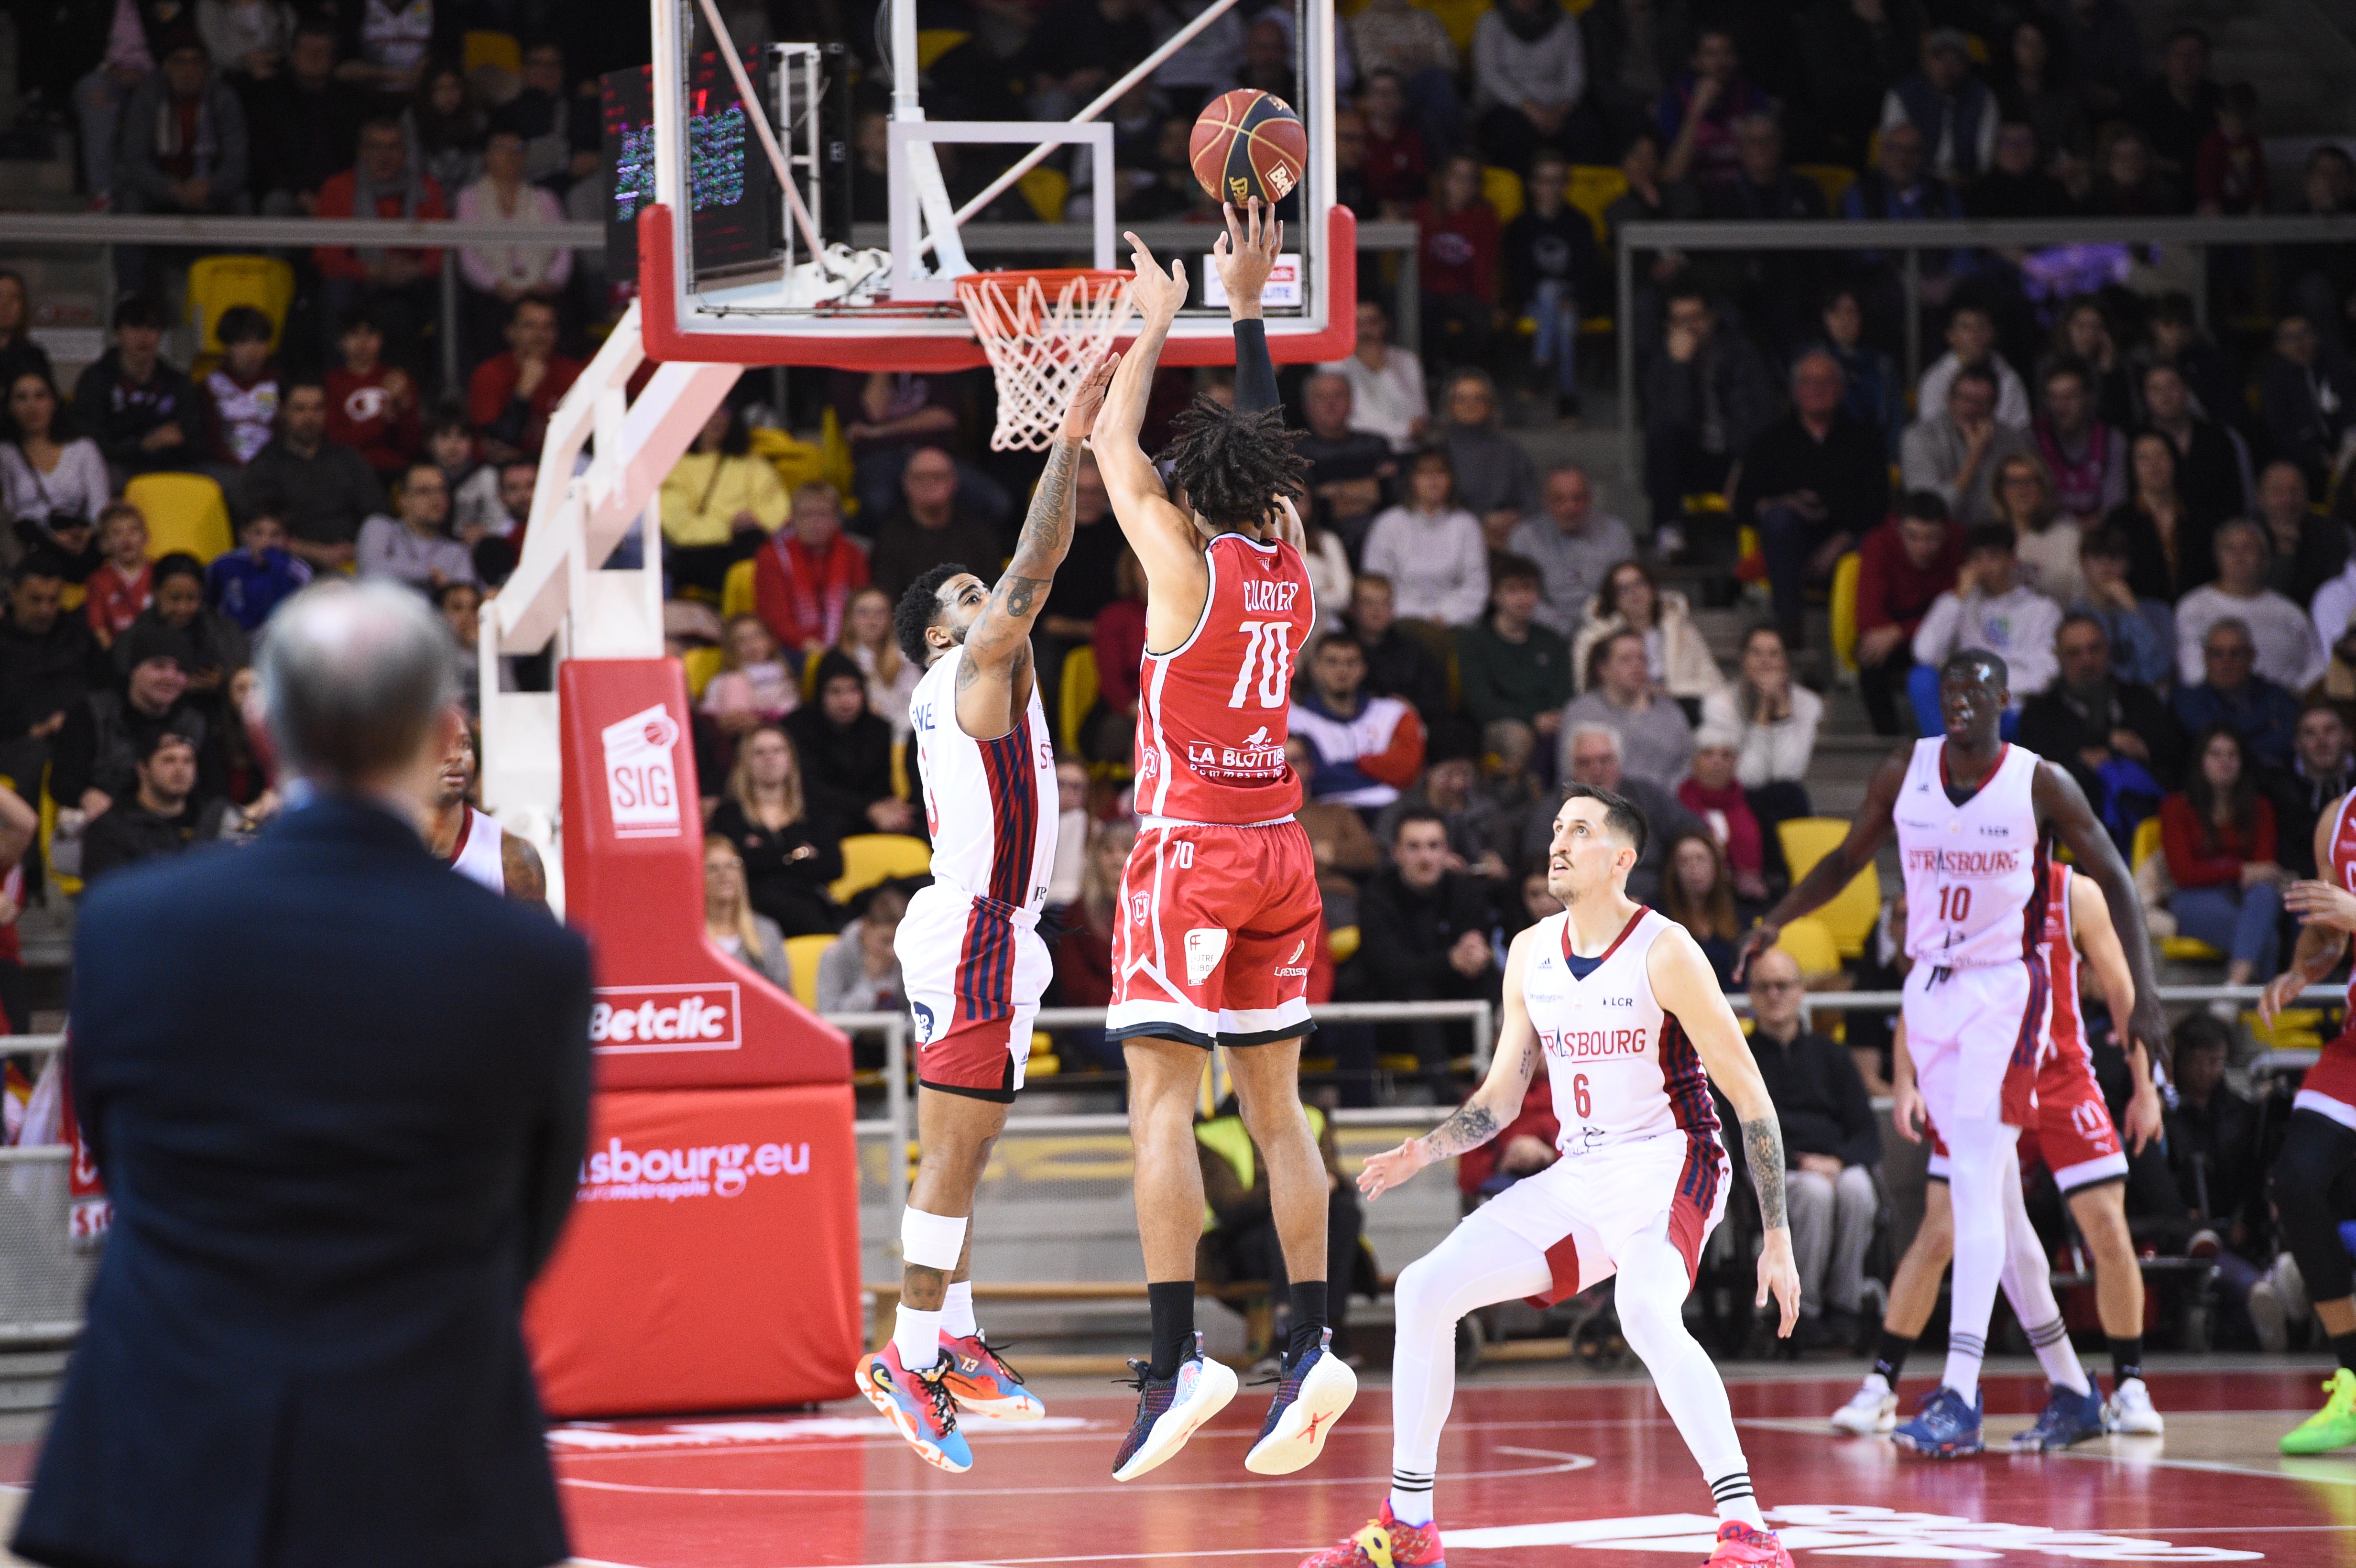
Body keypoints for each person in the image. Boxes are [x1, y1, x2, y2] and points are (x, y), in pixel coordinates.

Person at [7, 579, 590, 1568]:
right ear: (439, 726)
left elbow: (117, 1149)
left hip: (166, 1425)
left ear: (263, 723)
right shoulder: (530, 958)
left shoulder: (131, 926)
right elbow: (535, 1208)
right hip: (431, 1434)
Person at [1307, 784, 1802, 1568]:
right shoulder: (1529, 951)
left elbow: (1752, 1098)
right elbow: (1501, 1099)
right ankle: (1407, 1525)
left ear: (1621, 859)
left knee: (1643, 1311)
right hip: (1582, 1171)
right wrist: (1423, 1151)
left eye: (1579, 830)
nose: (1557, 840)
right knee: (1422, 1291)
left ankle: (1747, 1529)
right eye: (1555, 828)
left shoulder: (1664, 950)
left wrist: (1776, 1235)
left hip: (1670, 1160)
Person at [1741, 647, 2167, 1459]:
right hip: (1928, 993)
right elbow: (1843, 859)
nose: (1962, 701)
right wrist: (1777, 918)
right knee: (1996, 1207)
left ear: (2004, 698)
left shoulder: (2038, 782)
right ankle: (2074, 1389)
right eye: (1949, 690)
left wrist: (2143, 997)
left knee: (1970, 1189)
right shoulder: (1906, 768)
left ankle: (1958, 1393)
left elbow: (2113, 877)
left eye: (1977, 688)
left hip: (2003, 993)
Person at [1092, 210, 1358, 1478]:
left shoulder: (1181, 570)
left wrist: (1158, 317)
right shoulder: (1293, 564)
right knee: (1278, 1109)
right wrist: (1244, 311)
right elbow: (1265, 462)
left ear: (1196, 494)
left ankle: (1174, 1357)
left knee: (1162, 1102)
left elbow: (1108, 444)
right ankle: (1309, 1344)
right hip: (1282, 855)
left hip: (1190, 852)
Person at [862, 354, 1114, 1472]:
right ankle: (906, 1354)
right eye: (969, 600)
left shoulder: (982, 680)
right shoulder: (970, 670)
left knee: (970, 1148)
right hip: (971, 928)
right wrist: (1072, 436)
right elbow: (1040, 560)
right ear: (936, 638)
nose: (992, 603)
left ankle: (954, 1337)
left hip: (1002, 932)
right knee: (953, 1153)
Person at [1832, 860, 2165, 1443]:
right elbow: (1928, 987)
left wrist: (2144, 1086)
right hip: (1979, 1072)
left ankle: (2128, 1384)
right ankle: (1884, 1383)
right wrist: (1908, 1076)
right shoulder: (1960, 887)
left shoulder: (2072, 891)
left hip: (2057, 1073)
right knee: (1951, 1230)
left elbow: (2121, 991)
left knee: (2103, 1226)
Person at [2253, 770, 2356, 1452]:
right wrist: (2302, 967)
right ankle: (2353, 1381)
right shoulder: (2339, 818)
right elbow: (2330, 935)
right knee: (2294, 1183)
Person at [1743, 946, 1879, 1349]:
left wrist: (1838, 1162)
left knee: (1858, 1189)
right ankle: (1807, 1310)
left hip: (1834, 1163)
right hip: (1774, 1169)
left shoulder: (1832, 1056)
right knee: (1815, 1194)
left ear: (1801, 991)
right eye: (1764, 987)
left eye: (1783, 985)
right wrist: (1803, 1162)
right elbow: (1739, 1132)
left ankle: (1846, 1306)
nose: (1774, 995)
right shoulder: (1742, 1059)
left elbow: (1867, 1132)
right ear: (1751, 996)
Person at [1734, 349, 1891, 651]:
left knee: (1876, 541)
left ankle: (1865, 641)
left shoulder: (1865, 439)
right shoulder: (1770, 440)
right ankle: (1790, 629)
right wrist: (1784, 503)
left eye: (1826, 382)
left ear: (1841, 389)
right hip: (1791, 549)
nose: (1817, 390)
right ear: (1795, 391)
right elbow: (1743, 505)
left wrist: (1838, 543)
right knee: (1780, 521)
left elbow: (1878, 505)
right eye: (1808, 382)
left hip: (1848, 542)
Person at [1352, 807, 1500, 1101]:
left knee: (1494, 977)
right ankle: (1446, 1102)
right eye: (1414, 847)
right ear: (1396, 853)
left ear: (1447, 852)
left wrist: (1475, 952)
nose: (1425, 857)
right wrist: (1451, 960)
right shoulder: (1376, 896)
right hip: (1395, 1017)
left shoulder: (1464, 889)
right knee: (1419, 992)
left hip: (1456, 1007)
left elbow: (1475, 939)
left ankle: (1502, 1091)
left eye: (1434, 846)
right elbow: (1391, 967)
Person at [1641, 284, 1778, 548]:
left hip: (1736, 458)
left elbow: (1765, 416)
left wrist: (1743, 462)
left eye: (1696, 318)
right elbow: (1672, 422)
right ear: (1668, 325)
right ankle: (1668, 531)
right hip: (1692, 461)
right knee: (1662, 437)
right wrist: (1679, 368)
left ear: (1712, 317)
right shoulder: (1662, 365)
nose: (1690, 328)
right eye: (1680, 321)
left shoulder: (1742, 353)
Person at [2017, 611, 2183, 828]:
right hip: (2070, 828)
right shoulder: (2040, 711)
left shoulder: (2140, 698)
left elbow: (2172, 754)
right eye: (2075, 653)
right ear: (2058, 657)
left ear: (2108, 648)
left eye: (2094, 649)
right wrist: (2107, 747)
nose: (2087, 660)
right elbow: (2035, 772)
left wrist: (2114, 756)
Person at [311, 118, 448, 360]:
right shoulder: (339, 188)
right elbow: (328, 256)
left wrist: (415, 269)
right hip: (360, 278)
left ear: (405, 153)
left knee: (448, 289)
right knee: (335, 292)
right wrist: (372, 271)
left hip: (413, 279)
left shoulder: (426, 188)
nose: (384, 156)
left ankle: (445, 384)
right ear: (363, 152)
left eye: (393, 148)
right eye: (376, 148)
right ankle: (339, 379)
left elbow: (440, 249)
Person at [1907, 524, 2060, 737]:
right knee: (1921, 678)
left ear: (2012, 559)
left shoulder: (2042, 609)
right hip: (1963, 704)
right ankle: (1949, 756)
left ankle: (1958, 759)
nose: (1985, 566)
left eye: (1993, 557)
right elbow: (1924, 653)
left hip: (2009, 707)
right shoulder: (1958, 603)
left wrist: (1986, 688)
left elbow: (2046, 674)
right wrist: (1959, 596)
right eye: (1977, 559)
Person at [2161, 725, 2283, 986]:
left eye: (2232, 755)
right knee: (2268, 939)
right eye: (2216, 754)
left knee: (2265, 893)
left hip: (2246, 898)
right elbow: (2184, 874)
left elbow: (2264, 869)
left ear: (2242, 763)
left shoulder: (2260, 807)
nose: (2224, 762)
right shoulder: (2176, 807)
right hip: (2193, 898)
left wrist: (2243, 873)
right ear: (2201, 762)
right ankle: (2244, 1005)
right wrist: (2241, 870)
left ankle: (2231, 996)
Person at [240, 379, 390, 574]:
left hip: (357, 562)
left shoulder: (349, 459)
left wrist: (358, 549)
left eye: (317, 409)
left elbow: (378, 515)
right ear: (283, 411)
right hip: (291, 568)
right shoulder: (265, 466)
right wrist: (318, 553)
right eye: (300, 410)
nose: (310, 418)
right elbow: (257, 531)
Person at [707, 726, 841, 937]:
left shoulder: (814, 809)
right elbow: (733, 870)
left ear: (791, 759)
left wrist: (765, 855)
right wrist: (796, 854)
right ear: (745, 762)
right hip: (754, 908)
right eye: (759, 753)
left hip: (809, 904)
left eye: (778, 751)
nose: (769, 759)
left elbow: (834, 867)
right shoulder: (729, 815)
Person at [1550, 720, 1703, 906]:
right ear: (1572, 769)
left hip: (1657, 903)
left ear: (1619, 761)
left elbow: (1693, 827)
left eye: (1605, 760)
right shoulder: (1554, 808)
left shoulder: (1646, 795)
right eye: (1585, 763)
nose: (1597, 770)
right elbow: (1544, 867)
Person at [455, 127, 572, 357]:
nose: (511, 155)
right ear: (486, 157)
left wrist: (550, 281)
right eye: (502, 149)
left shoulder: (545, 198)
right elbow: (468, 255)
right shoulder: (469, 198)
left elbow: (564, 249)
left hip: (541, 288)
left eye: (517, 149)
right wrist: (496, 285)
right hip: (493, 293)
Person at [1502, 151, 1601, 421]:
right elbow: (1517, 276)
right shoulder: (1519, 226)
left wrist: (1574, 298)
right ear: (1533, 185)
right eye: (1543, 180)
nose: (1550, 187)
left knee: (1566, 319)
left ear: (1566, 185)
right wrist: (1542, 297)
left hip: (1572, 301)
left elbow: (1587, 271)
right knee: (1549, 293)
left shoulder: (1579, 223)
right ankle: (1568, 398)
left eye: (1557, 180)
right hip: (1532, 302)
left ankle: (1542, 367)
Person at [1853, 494, 1963, 735]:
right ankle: (1889, 740)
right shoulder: (1879, 544)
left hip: (1945, 633)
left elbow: (1961, 612)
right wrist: (1898, 634)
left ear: (1946, 533)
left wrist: (1900, 632)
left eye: (1931, 538)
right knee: (1870, 656)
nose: (1922, 548)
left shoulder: (1960, 544)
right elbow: (1870, 619)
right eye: (1913, 536)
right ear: (1898, 529)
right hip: (1898, 633)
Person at [2174, 520, 2323, 693]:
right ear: (2217, 557)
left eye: (2248, 548)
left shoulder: (2290, 611)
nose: (2239, 556)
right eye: (2230, 549)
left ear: (2265, 557)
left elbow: (2316, 663)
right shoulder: (2193, 607)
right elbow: (2192, 671)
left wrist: (2293, 696)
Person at [71, 297, 206, 488]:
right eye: (135, 327)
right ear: (118, 333)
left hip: (171, 466)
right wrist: (142, 445)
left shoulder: (177, 381)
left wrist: (177, 440)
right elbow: (89, 444)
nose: (144, 337)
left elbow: (194, 438)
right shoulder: (95, 380)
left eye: (152, 328)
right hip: (119, 466)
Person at [658, 403, 788, 598]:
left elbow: (778, 510)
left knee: (757, 548)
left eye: (724, 410)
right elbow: (678, 527)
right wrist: (730, 526)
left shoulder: (755, 465)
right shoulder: (676, 468)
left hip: (747, 546)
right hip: (700, 553)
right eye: (710, 411)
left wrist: (755, 521)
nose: (718, 418)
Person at [1290, 634, 1428, 814]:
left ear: (1363, 669)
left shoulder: (1395, 712)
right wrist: (1381, 769)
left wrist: (1355, 765)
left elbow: (1407, 771)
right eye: (1332, 662)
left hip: (1392, 812)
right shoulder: (1295, 719)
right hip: (1329, 813)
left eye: (1351, 663)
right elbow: (1315, 778)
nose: (1342, 670)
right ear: (1315, 668)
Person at [785, 653, 913, 845]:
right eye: (835, 692)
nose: (846, 701)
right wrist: (869, 809)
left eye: (853, 690)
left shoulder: (878, 728)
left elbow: (882, 786)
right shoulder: (797, 728)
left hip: (872, 813)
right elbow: (810, 788)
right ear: (820, 693)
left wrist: (890, 810)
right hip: (819, 814)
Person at [1701, 625, 1820, 821]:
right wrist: (1764, 710)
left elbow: (1788, 773)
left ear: (1786, 662)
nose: (1765, 662)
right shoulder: (1719, 703)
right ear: (1743, 660)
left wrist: (1782, 710)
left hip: (1786, 799)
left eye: (1774, 654)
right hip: (1738, 798)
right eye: (1756, 653)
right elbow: (1748, 778)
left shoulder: (1808, 703)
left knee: (1789, 795)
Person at [1360, 449, 1488, 626]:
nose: (1433, 481)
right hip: (1400, 623)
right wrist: (1420, 618)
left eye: (1440, 473)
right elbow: (1377, 586)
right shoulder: (1388, 523)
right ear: (1411, 480)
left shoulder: (1467, 525)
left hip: (1455, 624)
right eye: (1424, 474)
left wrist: (1445, 616)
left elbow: (1476, 587)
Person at [1571, 559, 1724, 704]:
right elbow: (1586, 690)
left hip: (1680, 707)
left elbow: (1715, 683)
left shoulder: (1684, 632)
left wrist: (1669, 691)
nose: (1634, 592)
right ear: (1614, 599)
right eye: (1623, 589)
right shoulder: (1595, 639)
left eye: (1640, 584)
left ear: (1652, 589)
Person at [1507, 464, 1634, 640]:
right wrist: (1564, 630)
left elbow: (1627, 591)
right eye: (1560, 500)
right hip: (1541, 634)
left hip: (1606, 634)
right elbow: (1521, 595)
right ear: (1545, 500)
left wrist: (1597, 629)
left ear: (1590, 498)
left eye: (1578, 499)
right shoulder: (1524, 537)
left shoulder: (1617, 533)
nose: (1570, 507)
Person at [421, 725, 545, 904]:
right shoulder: (375, 850)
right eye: (441, 744)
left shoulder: (513, 857)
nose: (456, 756)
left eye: (464, 745)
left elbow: (535, 931)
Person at [868, 447, 1007, 606]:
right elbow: (886, 599)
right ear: (906, 484)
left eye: (937, 477)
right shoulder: (889, 537)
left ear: (954, 482)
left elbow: (992, 595)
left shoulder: (979, 535)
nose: (929, 484)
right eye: (920, 477)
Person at [1900, 365, 2032, 529]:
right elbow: (1929, 513)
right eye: (1965, 399)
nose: (1972, 409)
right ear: (1950, 399)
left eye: (1981, 402)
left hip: (1997, 535)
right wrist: (1974, 457)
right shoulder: (1920, 438)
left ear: (1995, 404)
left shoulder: (2011, 440)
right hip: (1941, 538)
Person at [1456, 556, 1573, 741]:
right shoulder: (1474, 641)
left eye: (1529, 588)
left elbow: (1565, 692)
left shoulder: (1551, 640)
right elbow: (1482, 703)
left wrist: (1553, 718)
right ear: (1495, 595)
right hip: (1501, 725)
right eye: (1512, 590)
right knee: (1517, 736)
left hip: (1552, 724)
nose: (1523, 598)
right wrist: (1533, 718)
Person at [1471, 0, 1594, 176]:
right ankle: (1520, 195)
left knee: (1587, 131)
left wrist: (1561, 110)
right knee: (1512, 134)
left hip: (1557, 104)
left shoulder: (1565, 22)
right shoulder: (1491, 22)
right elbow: (1490, 75)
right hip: (1504, 103)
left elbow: (1575, 74)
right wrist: (1531, 110)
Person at [1563, 628, 1695, 789]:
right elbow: (1569, 773)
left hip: (1664, 807)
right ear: (1602, 669)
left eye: (1642, 659)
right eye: (1626, 660)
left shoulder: (1671, 713)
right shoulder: (1582, 713)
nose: (1637, 667)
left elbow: (1686, 768)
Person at [753, 481, 868, 663]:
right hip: (791, 648)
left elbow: (862, 608)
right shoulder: (773, 555)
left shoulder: (854, 554)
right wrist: (813, 648)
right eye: (807, 515)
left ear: (837, 519)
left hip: (846, 644)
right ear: (793, 518)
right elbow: (774, 620)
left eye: (823, 514)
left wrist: (845, 646)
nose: (816, 523)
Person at [2102, 428, 2216, 604]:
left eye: (2161, 455)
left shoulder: (2200, 515)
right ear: (2132, 468)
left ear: (2174, 461)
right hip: (2140, 614)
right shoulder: (2119, 521)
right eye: (2144, 458)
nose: (2154, 464)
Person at [1413, 154, 1504, 372]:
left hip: (1464, 293)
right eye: (1456, 177)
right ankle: (1431, 373)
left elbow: (1485, 267)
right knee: (1422, 310)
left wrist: (1491, 305)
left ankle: (1465, 375)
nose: (1463, 185)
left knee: (1480, 319)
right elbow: (1417, 262)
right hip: (1428, 291)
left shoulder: (1484, 216)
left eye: (1470, 179)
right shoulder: (1424, 212)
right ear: (1443, 180)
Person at [2173, 617, 2300, 775]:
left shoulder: (2277, 697)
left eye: (2235, 653)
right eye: (2218, 654)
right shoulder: (2188, 700)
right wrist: (2264, 729)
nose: (2227, 661)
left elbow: (2288, 740)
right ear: (2206, 658)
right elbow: (2214, 740)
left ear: (2252, 656)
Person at [466, 297, 579, 467]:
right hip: (501, 474)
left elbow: (583, 438)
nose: (540, 335)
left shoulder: (572, 373)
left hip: (558, 467)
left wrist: (525, 458)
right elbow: (497, 443)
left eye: (548, 327)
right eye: (530, 326)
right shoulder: (490, 373)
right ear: (510, 332)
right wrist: (523, 392)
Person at [79, 729, 203, 881]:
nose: (180, 770)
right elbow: (107, 898)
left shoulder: (209, 821)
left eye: (188, 761)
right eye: (169, 761)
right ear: (143, 769)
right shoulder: (110, 830)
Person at [1436, 370, 1542, 543]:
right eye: (1462, 399)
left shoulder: (1511, 451)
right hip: (1451, 538)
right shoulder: (1437, 452)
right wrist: (1481, 520)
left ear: (1491, 404)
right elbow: (1432, 505)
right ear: (1449, 406)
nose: (1470, 405)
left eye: (1478, 399)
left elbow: (1532, 500)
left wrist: (1515, 518)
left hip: (1509, 537)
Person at [1, 371, 109, 533]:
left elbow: (100, 511)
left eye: (40, 396)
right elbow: (8, 517)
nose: (32, 406)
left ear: (54, 402)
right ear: (10, 407)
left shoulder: (84, 449)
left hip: (79, 541)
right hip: (29, 545)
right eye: (22, 398)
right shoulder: (5, 455)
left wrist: (84, 536)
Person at [322, 306, 419, 481]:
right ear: (340, 341)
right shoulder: (332, 382)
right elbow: (336, 441)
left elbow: (411, 446)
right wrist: (383, 417)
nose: (363, 342)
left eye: (370, 334)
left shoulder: (398, 379)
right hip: (346, 472)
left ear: (381, 339)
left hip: (394, 469)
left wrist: (405, 409)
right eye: (354, 334)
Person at [1322, 298, 1428, 453]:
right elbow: (1348, 423)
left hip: (1407, 453)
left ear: (1385, 324)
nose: (1366, 330)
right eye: (1359, 323)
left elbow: (1418, 418)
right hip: (1357, 453)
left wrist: (1383, 369)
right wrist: (1405, 430)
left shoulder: (1407, 360)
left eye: (1372, 322)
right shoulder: (1333, 362)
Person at [1679, 727, 1767, 904]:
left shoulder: (1757, 808)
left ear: (1736, 763)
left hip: (1746, 899)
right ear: (1694, 762)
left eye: (1726, 756)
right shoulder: (1676, 806)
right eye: (1708, 754)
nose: (1717, 762)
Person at [1349, 574, 1451, 724]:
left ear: (1392, 609)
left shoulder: (1413, 650)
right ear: (1352, 608)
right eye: (1368, 603)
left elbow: (1437, 698)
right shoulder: (1339, 649)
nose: (1376, 611)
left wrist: (1411, 707)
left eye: (1384, 604)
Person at [358, 460, 473, 591]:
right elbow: (371, 570)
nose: (437, 498)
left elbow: (464, 597)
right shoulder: (380, 527)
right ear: (402, 500)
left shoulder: (457, 551)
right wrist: (430, 574)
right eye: (424, 491)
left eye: (442, 490)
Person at [1917, 305, 2030, 433]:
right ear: (1951, 336)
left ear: (1993, 333)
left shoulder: (2009, 379)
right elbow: (1929, 431)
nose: (1975, 335)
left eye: (1982, 327)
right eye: (1966, 328)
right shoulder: (1935, 380)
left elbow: (2020, 429)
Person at [1986, 454, 2080, 607]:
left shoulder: (2069, 536)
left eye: (2031, 481)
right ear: (2000, 490)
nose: (2023, 490)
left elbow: (2081, 597)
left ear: (2044, 487)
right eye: (2014, 482)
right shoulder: (1989, 539)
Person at [2257, 460, 2349, 611]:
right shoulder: (2245, 535)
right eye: (2278, 491)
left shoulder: (2330, 533)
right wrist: (2285, 552)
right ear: (2260, 498)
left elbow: (2337, 589)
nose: (2288, 500)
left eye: (2295, 491)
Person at [701, 834, 789, 986]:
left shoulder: (766, 931)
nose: (723, 875)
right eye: (712, 868)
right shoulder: (692, 938)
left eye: (731, 866)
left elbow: (784, 995)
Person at [201, 307, 280, 472]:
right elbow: (210, 440)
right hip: (226, 469)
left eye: (260, 341)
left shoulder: (279, 384)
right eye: (243, 342)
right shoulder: (211, 385)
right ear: (228, 346)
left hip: (273, 469)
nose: (253, 351)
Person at [1660, 828, 1742, 987]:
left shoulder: (1740, 914)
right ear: (1674, 871)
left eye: (1701, 859)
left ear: (1716, 866)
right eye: (1684, 861)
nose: (1694, 868)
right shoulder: (1659, 918)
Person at [207, 511, 310, 632]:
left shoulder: (298, 572)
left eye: (275, 535)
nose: (266, 541)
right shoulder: (224, 565)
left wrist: (279, 573)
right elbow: (209, 606)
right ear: (245, 534)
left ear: (288, 539)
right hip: (233, 641)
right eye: (258, 533)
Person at [818, 883, 910, 1013]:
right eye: (886, 941)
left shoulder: (908, 956)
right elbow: (828, 1021)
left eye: (898, 942)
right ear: (866, 928)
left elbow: (920, 1014)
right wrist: (870, 982)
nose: (892, 952)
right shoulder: (834, 957)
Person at [701, 615, 798, 737]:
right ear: (731, 649)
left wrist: (760, 721)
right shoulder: (722, 681)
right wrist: (722, 722)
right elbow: (707, 715)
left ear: (770, 640)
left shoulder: (784, 676)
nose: (752, 645)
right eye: (742, 641)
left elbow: (791, 714)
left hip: (773, 736)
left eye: (757, 636)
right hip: (732, 738)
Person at [84, 502, 153, 649]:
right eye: (117, 533)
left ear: (146, 537)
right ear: (105, 543)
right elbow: (99, 627)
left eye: (133, 531)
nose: (126, 539)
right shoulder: (98, 581)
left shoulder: (159, 574)